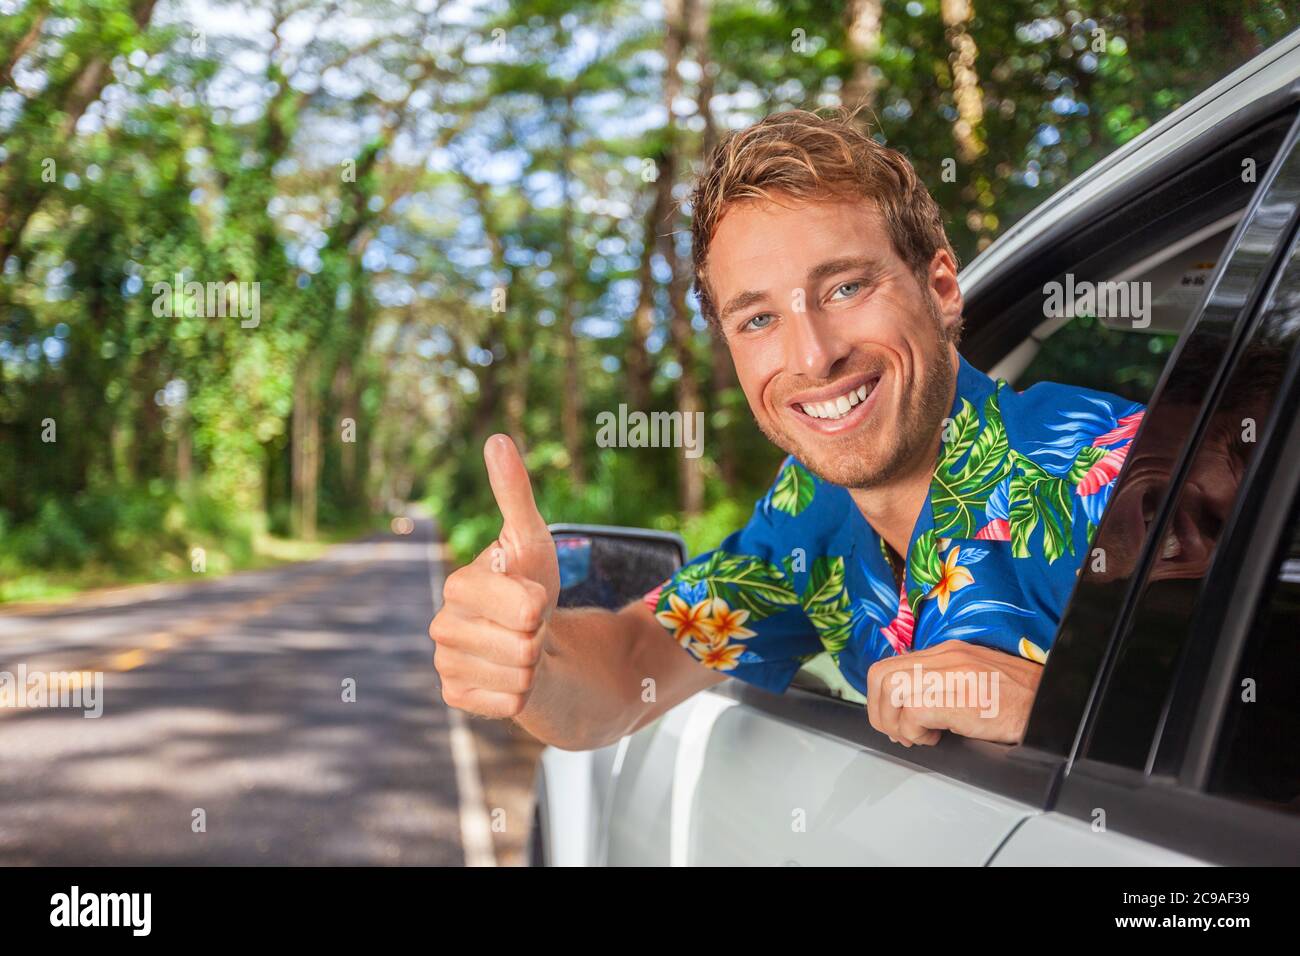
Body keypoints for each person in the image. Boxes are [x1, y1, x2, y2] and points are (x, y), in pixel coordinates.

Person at [428, 110, 1145, 749]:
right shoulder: (812, 511)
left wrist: (1065, 714)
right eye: (759, 319)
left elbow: (1253, 709)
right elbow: (634, 665)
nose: (812, 356)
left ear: (941, 288)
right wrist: (531, 658)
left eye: (846, 288)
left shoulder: (1109, 479)